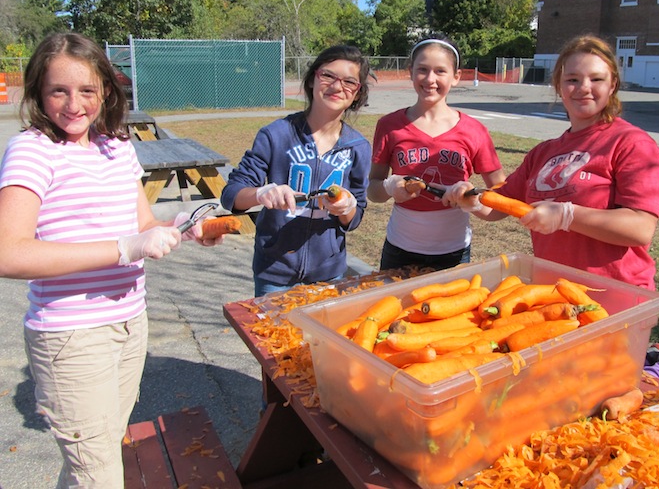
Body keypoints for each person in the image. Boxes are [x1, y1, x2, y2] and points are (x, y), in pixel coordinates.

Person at [0, 32, 220, 488]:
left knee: (93, 461)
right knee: (98, 473)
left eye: (87, 90)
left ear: (105, 90)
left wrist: (182, 224)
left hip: (130, 324)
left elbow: (143, 224)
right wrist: (123, 250)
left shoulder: (116, 145)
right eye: (58, 90)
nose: (74, 104)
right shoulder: (32, 149)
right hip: (72, 338)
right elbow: (9, 252)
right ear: (39, 91)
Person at [445, 35, 659, 396]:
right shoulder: (544, 152)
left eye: (596, 79)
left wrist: (568, 215)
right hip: (555, 295)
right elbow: (498, 205)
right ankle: (656, 363)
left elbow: (640, 227)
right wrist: (471, 199)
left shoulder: (631, 144)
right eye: (572, 79)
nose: (584, 88)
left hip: (614, 295)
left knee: (604, 391)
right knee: (564, 391)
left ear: (613, 84)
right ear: (559, 86)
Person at [220, 45, 371, 296]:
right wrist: (261, 193)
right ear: (312, 79)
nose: (337, 86)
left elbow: (355, 218)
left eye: (349, 82)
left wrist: (347, 208)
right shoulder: (276, 134)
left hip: (328, 273)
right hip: (275, 272)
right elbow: (231, 195)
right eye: (328, 75)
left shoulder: (358, 147)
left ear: (357, 93)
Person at [367, 35, 505, 272]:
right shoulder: (389, 126)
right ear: (411, 72)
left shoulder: (474, 131)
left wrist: (473, 202)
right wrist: (390, 186)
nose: (430, 79)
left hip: (453, 254)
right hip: (399, 251)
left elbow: (503, 199)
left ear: (456, 76)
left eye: (440, 71)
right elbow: (373, 190)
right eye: (422, 69)